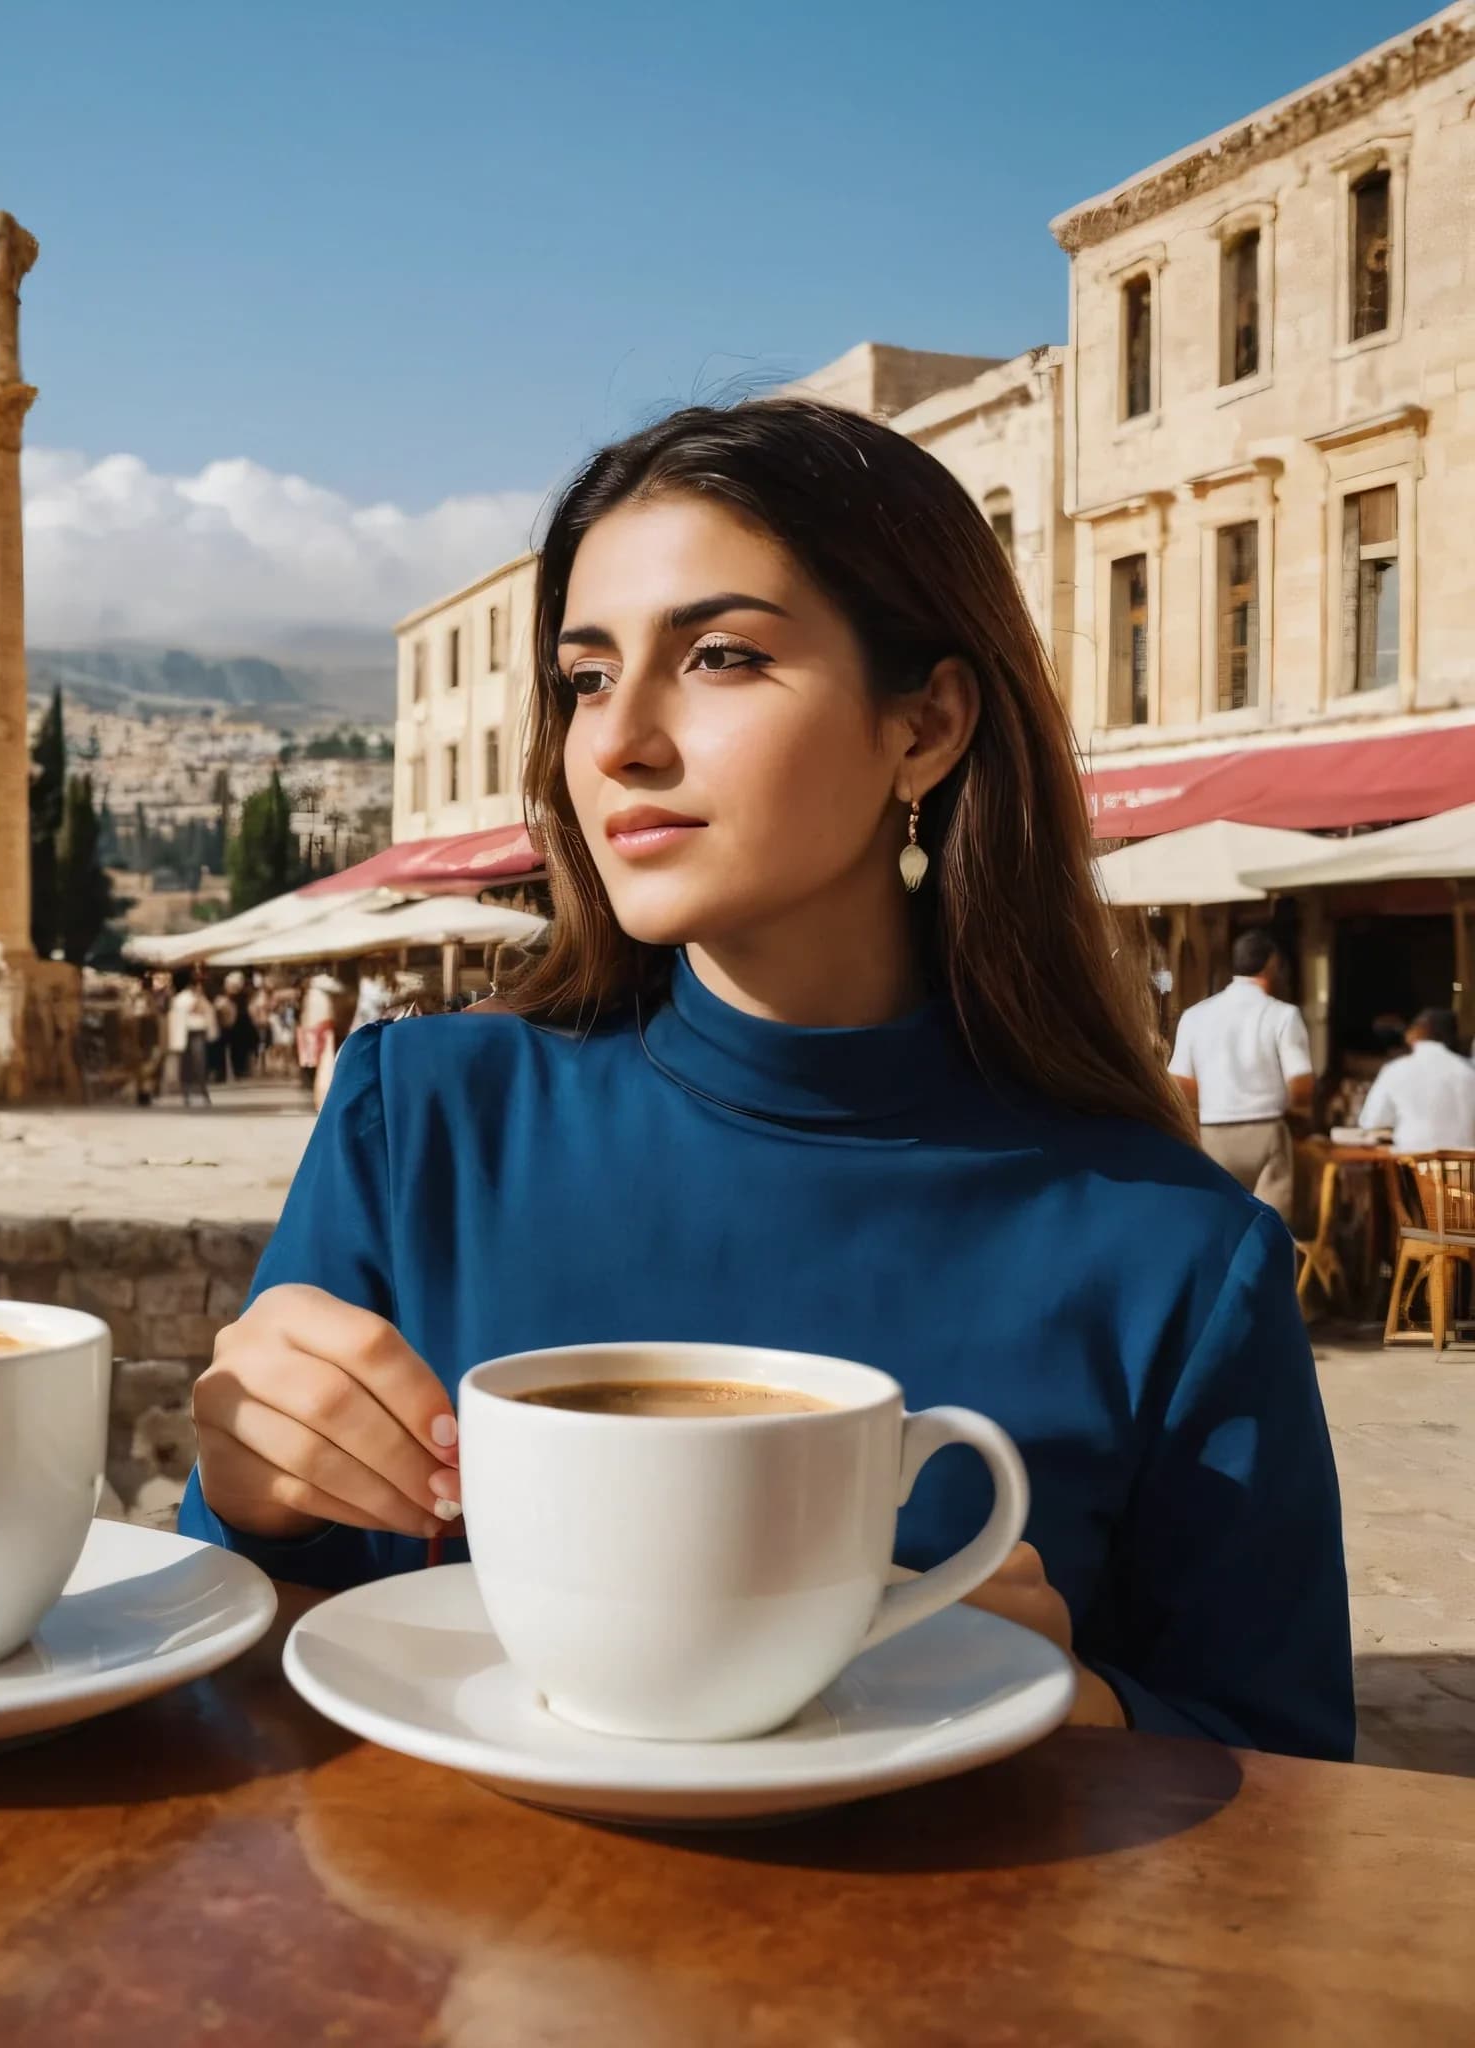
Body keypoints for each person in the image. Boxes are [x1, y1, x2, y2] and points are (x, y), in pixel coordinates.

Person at [180, 396, 1352, 1762]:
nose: (617, 740)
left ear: (926, 725)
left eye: (720, 656)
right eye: (585, 677)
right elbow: (244, 1660)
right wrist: (250, 1487)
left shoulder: (1175, 1257)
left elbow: (1285, 1779)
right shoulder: (420, 1121)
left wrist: (1072, 1710)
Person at [1168, 930, 1315, 1220]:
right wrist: (1292, 1109)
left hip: (1212, 1135)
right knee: (1271, 1225)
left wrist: (1213, 1104)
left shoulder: (1195, 1016)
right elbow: (1302, 1086)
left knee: (1218, 1221)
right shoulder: (1283, 1015)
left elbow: (1179, 1084)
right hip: (1267, 1133)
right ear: (1272, 965)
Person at [1357, 1007, 1475, 1152]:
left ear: (1419, 1030)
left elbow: (1371, 1122)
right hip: (1464, 1164)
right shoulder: (1468, 1072)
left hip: (1411, 1162)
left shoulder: (1396, 1070)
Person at [165, 967, 216, 1109]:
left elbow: (207, 1012)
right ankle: (188, 1092)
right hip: (187, 1032)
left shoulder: (201, 998)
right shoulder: (181, 999)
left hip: (198, 1031)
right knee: (187, 1064)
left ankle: (200, 1092)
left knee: (199, 1063)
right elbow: (185, 1012)